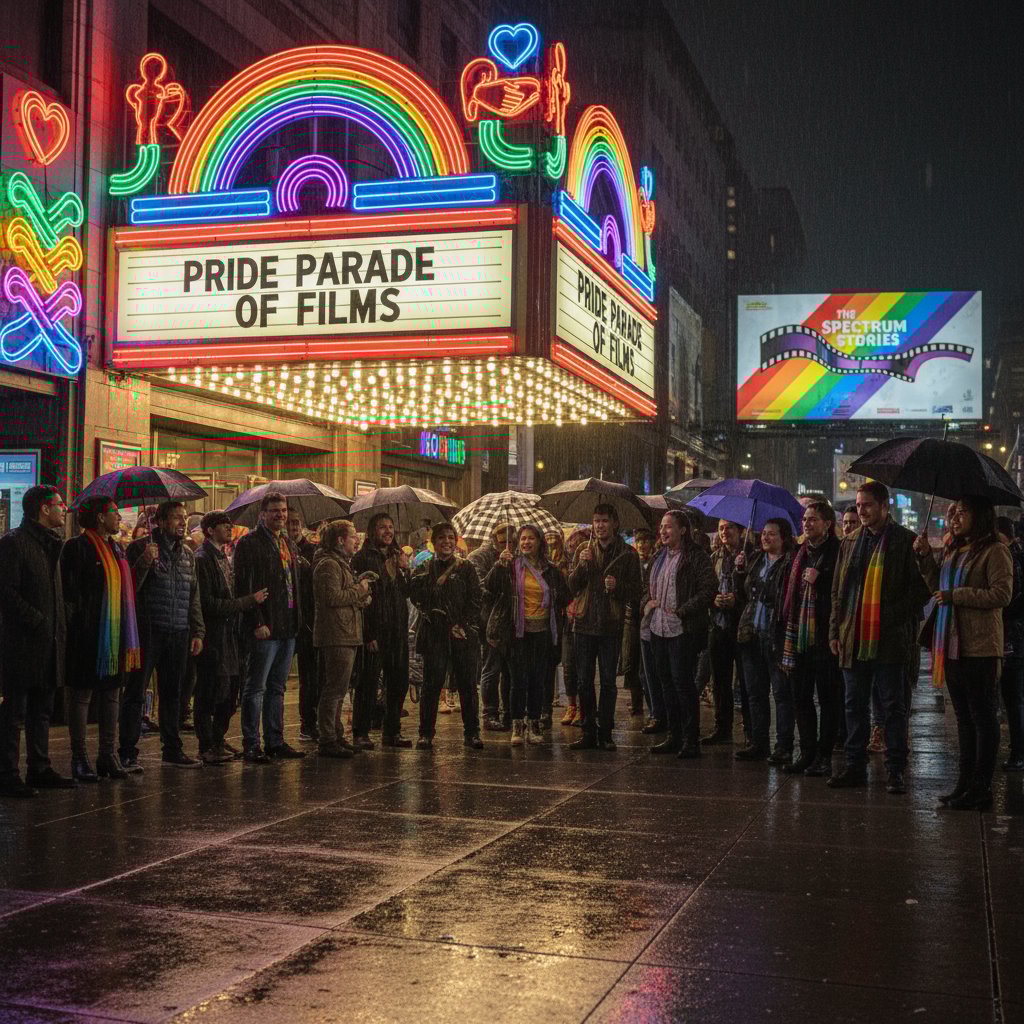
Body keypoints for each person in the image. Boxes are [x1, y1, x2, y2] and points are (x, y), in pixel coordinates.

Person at [829, 482, 930, 793]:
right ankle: (855, 766)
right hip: (853, 635)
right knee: (853, 706)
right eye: (859, 505)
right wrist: (835, 630)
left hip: (889, 639)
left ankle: (896, 769)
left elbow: (921, 591)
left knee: (892, 707)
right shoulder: (850, 541)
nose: (862, 511)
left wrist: (891, 615)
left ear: (886, 506)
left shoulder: (905, 541)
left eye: (868, 505)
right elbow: (838, 591)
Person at [915, 497, 1012, 809]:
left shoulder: (996, 550)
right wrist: (926, 559)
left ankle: (982, 787)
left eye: (962, 512)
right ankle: (965, 782)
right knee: (964, 719)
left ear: (980, 515)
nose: (954, 518)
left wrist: (957, 595)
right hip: (952, 644)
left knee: (983, 718)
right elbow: (937, 589)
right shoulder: (955, 550)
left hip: (981, 646)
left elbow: (1002, 594)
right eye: (952, 512)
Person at [60, 497, 141, 782]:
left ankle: (108, 754)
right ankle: (79, 757)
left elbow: (128, 589)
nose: (119, 518)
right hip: (87, 634)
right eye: (114, 513)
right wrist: (79, 622)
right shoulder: (76, 547)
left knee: (111, 694)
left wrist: (143, 563)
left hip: (116, 633)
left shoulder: (117, 548)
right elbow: (70, 594)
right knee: (81, 695)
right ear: (98, 518)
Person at [0, 485, 73, 796]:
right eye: (59, 505)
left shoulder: (52, 545)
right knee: (14, 711)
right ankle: (7, 774)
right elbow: (6, 593)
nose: (64, 510)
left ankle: (39, 767)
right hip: (21, 643)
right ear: (44, 509)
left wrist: (60, 619)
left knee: (42, 709)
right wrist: (38, 620)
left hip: (49, 641)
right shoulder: (14, 544)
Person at [124, 500, 205, 769]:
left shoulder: (188, 554)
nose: (182, 523)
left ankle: (172, 747)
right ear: (160, 521)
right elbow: (129, 589)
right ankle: (127, 750)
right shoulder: (140, 548)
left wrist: (197, 630)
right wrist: (144, 564)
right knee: (136, 691)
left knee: (174, 692)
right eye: (176, 518)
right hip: (149, 629)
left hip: (178, 630)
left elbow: (194, 595)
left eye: (184, 518)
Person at [233, 491, 306, 763]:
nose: (281, 515)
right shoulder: (249, 544)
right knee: (256, 688)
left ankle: (275, 740)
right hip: (264, 627)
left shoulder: (287, 543)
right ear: (263, 514)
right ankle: (251, 743)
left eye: (284, 511)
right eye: (275, 511)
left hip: (287, 626)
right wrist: (257, 621)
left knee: (278, 687)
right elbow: (243, 586)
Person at [194, 510, 268, 765]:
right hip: (214, 636)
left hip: (230, 636)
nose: (228, 528)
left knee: (230, 692)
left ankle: (217, 738)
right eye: (222, 525)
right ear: (209, 530)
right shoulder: (203, 559)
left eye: (229, 524)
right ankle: (207, 744)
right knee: (211, 692)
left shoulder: (223, 557)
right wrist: (248, 601)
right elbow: (209, 603)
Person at [568, 504, 643, 751]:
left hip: (611, 625)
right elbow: (571, 585)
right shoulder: (583, 549)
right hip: (584, 622)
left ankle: (606, 732)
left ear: (614, 523)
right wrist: (581, 565)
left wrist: (616, 586)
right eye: (596, 521)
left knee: (609, 681)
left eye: (604, 521)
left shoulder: (628, 554)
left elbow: (635, 591)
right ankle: (588, 730)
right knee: (583, 681)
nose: (600, 526)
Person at [486, 525, 569, 745]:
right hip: (516, 634)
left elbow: (565, 595)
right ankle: (517, 727)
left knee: (537, 681)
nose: (526, 543)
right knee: (518, 681)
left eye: (531, 538)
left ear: (539, 542)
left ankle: (534, 724)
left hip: (542, 632)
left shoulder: (550, 570)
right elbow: (490, 587)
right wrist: (499, 565)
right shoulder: (510, 566)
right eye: (522, 539)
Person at [645, 510, 717, 758]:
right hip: (658, 627)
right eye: (662, 527)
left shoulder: (696, 556)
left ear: (683, 530)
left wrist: (684, 610)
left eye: (669, 527)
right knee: (666, 684)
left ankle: (690, 739)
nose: (663, 532)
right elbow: (648, 587)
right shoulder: (659, 557)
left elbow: (709, 588)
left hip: (681, 629)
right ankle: (673, 735)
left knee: (683, 685)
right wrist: (648, 602)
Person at [779, 501, 842, 776]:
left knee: (828, 699)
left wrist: (822, 578)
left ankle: (825, 755)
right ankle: (807, 753)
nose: (807, 523)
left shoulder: (838, 552)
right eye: (805, 519)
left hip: (825, 637)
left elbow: (845, 590)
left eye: (813, 519)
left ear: (828, 524)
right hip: (799, 638)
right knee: (800, 697)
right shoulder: (799, 553)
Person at [410, 523, 483, 750]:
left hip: (462, 634)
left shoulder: (466, 568)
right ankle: (426, 734)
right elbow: (415, 597)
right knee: (432, 685)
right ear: (433, 542)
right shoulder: (423, 568)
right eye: (442, 538)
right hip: (435, 634)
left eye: (451, 537)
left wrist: (463, 624)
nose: (447, 542)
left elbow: (476, 599)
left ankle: (472, 733)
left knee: (467, 685)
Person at [734, 518, 796, 762]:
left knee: (781, 693)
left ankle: (783, 745)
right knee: (755, 693)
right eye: (764, 534)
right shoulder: (756, 559)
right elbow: (746, 594)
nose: (766, 538)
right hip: (751, 633)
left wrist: (760, 585)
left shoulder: (790, 563)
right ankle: (758, 743)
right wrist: (740, 572)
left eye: (771, 534)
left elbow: (777, 596)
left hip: (775, 636)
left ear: (783, 538)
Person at [353, 512, 412, 748]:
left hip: (398, 629)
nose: (388, 531)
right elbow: (362, 599)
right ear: (371, 531)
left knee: (398, 680)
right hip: (375, 631)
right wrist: (368, 634)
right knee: (368, 682)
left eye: (390, 527)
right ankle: (361, 732)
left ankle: (392, 731)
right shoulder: (362, 558)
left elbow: (407, 592)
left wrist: (404, 569)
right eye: (382, 527)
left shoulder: (398, 556)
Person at [313, 519, 371, 758]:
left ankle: (336, 734)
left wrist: (361, 595)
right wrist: (360, 590)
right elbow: (332, 597)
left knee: (340, 688)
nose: (356, 540)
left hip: (347, 632)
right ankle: (327, 738)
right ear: (340, 540)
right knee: (334, 689)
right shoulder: (328, 565)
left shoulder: (342, 564)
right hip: (336, 634)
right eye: (352, 536)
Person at [704, 519, 746, 746]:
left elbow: (753, 590)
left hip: (741, 627)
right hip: (718, 625)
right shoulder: (714, 558)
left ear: (740, 530)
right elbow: (707, 587)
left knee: (746, 682)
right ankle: (722, 727)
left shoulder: (750, 556)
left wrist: (737, 599)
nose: (724, 532)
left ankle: (751, 731)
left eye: (729, 527)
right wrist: (714, 599)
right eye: (721, 528)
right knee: (720, 681)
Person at [469, 523, 512, 731]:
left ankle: (509, 712)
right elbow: (479, 588)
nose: (508, 544)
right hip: (489, 620)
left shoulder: (516, 553)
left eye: (511, 540)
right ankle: (490, 713)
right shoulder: (480, 556)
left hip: (512, 620)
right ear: (494, 537)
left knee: (510, 670)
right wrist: (498, 567)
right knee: (491, 668)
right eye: (503, 540)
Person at [286, 509, 318, 743]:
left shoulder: (311, 551)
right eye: (289, 522)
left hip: (306, 621)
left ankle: (308, 723)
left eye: (297, 522)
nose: (293, 526)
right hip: (285, 620)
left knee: (310, 676)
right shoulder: (277, 549)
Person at [996, 517, 1024, 772]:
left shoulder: (1012, 559)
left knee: (1012, 698)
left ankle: (1018, 752)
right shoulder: (1015, 555)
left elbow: (1011, 601)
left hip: (1011, 640)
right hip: (1012, 638)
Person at [633, 528, 665, 733]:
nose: (642, 544)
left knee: (655, 671)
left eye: (646, 540)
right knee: (643, 673)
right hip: (639, 622)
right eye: (639, 541)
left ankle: (659, 713)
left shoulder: (658, 559)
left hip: (658, 622)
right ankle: (653, 711)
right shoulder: (633, 561)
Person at [560, 526, 591, 726]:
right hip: (568, 620)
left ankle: (583, 708)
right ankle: (571, 705)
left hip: (585, 620)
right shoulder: (566, 565)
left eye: (579, 543)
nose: (574, 546)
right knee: (568, 666)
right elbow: (567, 587)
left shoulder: (594, 563)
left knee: (583, 669)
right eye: (572, 543)